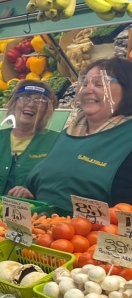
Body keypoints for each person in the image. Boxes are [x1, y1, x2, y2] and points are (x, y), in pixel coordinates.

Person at [23, 58, 132, 211]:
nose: (87, 90)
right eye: (85, 84)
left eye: (100, 84)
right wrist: (32, 194)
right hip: (45, 228)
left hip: (97, 234)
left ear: (127, 90)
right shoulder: (67, 134)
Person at [0, 81, 59, 196]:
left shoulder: (57, 142)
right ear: (14, 104)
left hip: (35, 213)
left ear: (46, 111)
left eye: (39, 101)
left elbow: (63, 184)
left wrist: (36, 193)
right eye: (25, 98)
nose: (31, 104)